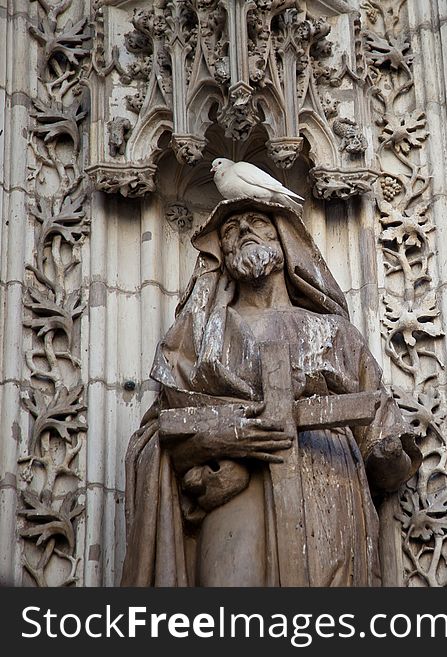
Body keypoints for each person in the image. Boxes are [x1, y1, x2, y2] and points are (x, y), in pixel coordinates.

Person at [121, 198, 419, 586]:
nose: (243, 231)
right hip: (235, 496)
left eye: (257, 221)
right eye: (230, 229)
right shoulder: (197, 340)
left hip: (326, 489)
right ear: (221, 255)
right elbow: (156, 440)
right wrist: (217, 440)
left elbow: (385, 451)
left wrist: (389, 452)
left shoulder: (336, 334)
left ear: (285, 242)